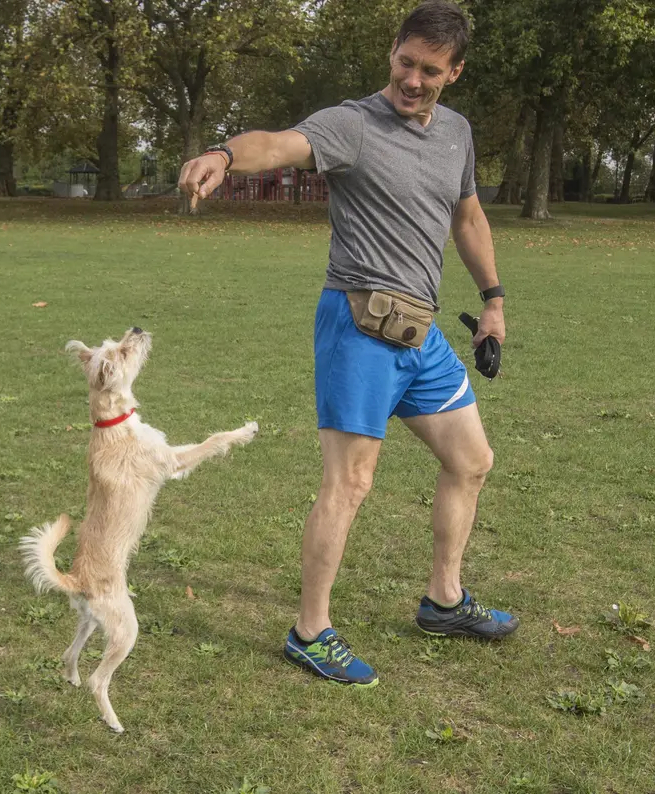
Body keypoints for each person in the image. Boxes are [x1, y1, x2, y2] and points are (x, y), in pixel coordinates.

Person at [177, 0, 517, 688]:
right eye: (404, 62)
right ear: (392, 52)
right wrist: (221, 153)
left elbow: (468, 213)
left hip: (420, 336)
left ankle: (443, 601)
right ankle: (310, 632)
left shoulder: (456, 133)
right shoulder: (352, 124)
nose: (412, 81)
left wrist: (493, 301)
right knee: (350, 483)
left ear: (454, 72)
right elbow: (279, 143)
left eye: (429, 70)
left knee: (472, 461)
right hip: (358, 326)